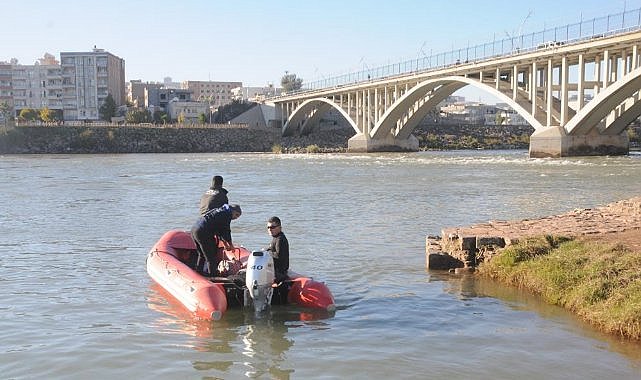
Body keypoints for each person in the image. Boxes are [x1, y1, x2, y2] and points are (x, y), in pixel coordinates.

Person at [191, 204, 242, 276]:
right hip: (203, 232)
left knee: (201, 254)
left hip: (195, 230)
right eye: (236, 215)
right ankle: (213, 276)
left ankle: (198, 273)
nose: (235, 218)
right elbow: (226, 231)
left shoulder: (220, 210)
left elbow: (219, 230)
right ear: (233, 211)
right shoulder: (227, 214)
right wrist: (231, 245)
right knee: (211, 257)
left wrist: (225, 244)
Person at [265, 216, 289, 283]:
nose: (270, 229)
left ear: (280, 228)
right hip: (275, 269)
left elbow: (278, 255)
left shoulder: (280, 239)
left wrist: (267, 253)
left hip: (279, 273)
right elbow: (272, 250)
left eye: (272, 227)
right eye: (268, 227)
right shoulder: (276, 237)